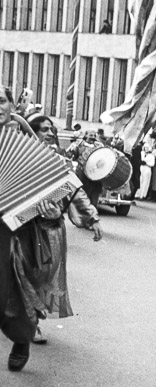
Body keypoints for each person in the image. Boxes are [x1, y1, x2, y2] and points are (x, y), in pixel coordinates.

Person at [1, 94, 101, 372]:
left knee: (13, 294)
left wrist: (54, 210)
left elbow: (62, 190)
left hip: (17, 232)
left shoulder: (33, 148)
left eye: (0, 100)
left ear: (11, 106)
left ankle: (22, 336)